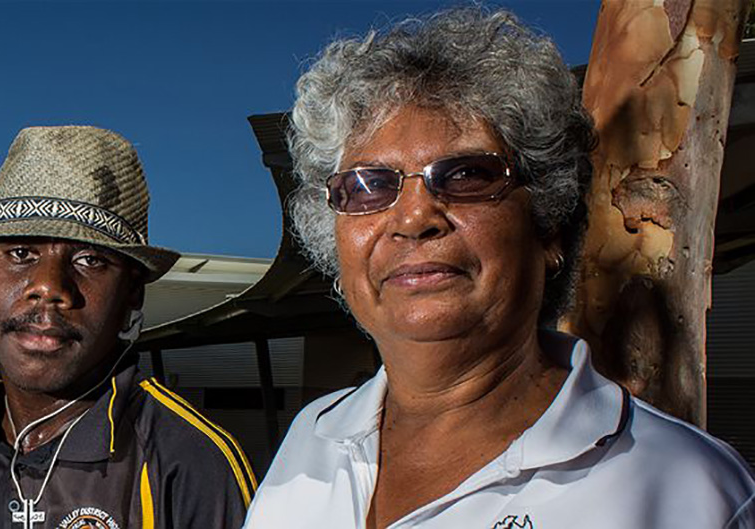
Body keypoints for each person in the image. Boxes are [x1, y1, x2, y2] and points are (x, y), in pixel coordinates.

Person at [245, 8, 755, 529]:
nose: (414, 217)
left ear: (549, 226)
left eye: (467, 174)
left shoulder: (688, 490)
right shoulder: (311, 437)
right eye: (369, 185)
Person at [0, 126, 255, 528]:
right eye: (20, 252)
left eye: (90, 260)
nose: (50, 288)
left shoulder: (190, 462)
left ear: (132, 295)